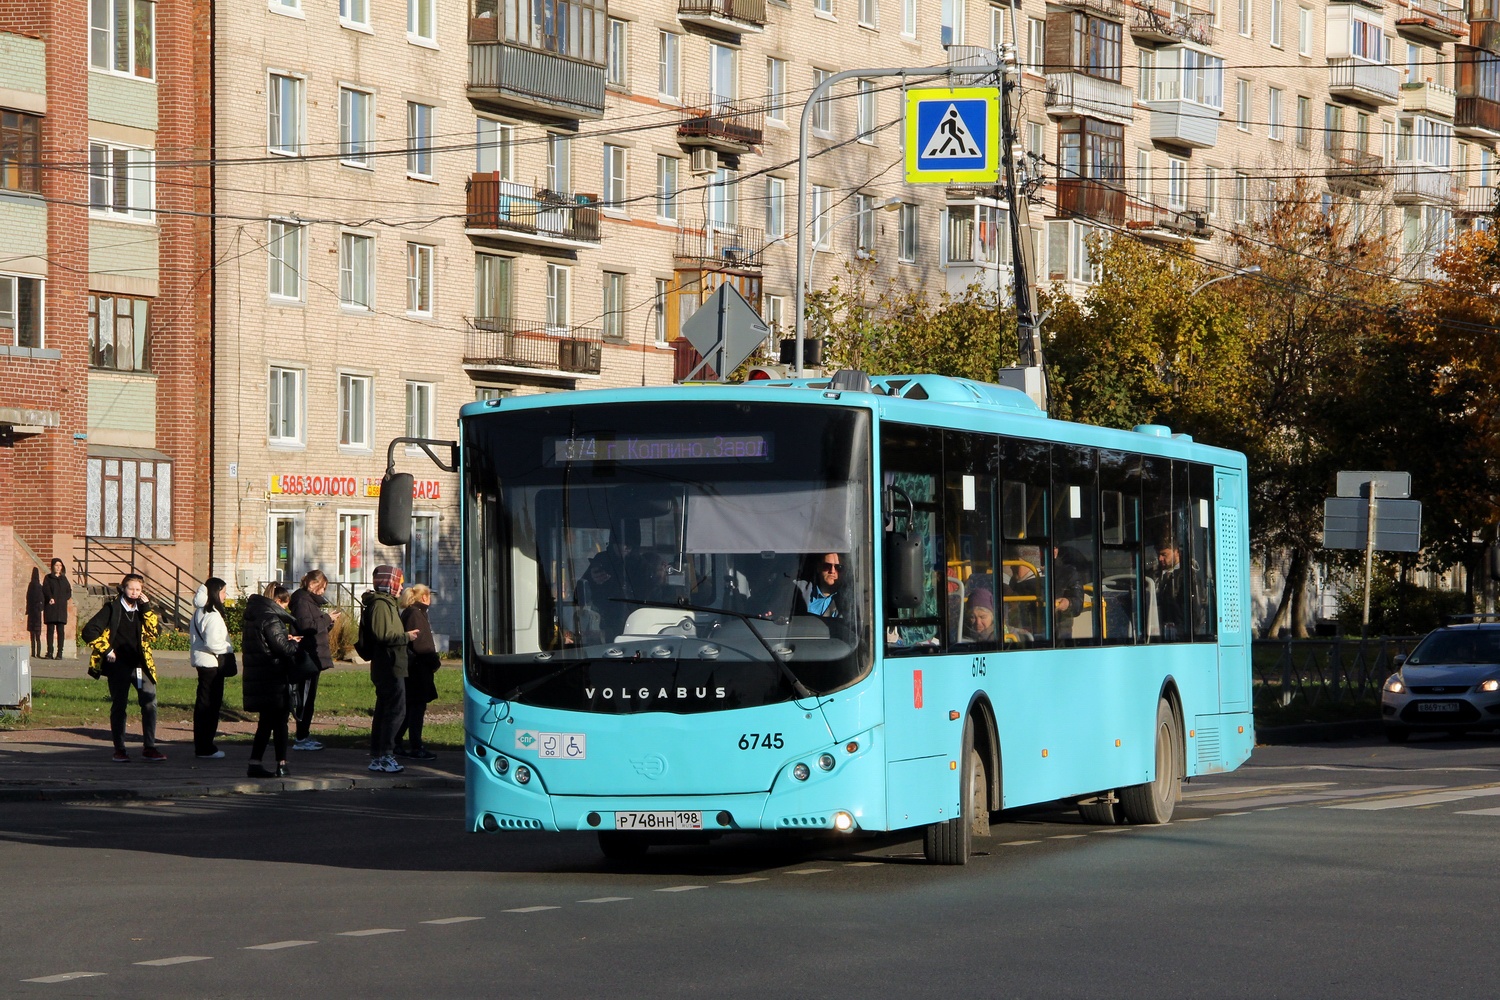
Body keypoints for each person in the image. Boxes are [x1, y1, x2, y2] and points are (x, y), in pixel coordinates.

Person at [82, 574, 164, 762]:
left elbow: (154, 633)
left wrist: (147, 608)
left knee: (150, 702)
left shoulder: (143, 609)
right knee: (120, 705)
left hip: (140, 664)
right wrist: (107, 649)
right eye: (131, 589)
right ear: (123, 588)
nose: (134, 593)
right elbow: (89, 631)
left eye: (138, 590)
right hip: (118, 666)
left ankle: (149, 747)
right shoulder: (112, 608)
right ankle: (120, 749)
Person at [241, 584, 303, 778]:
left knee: (266, 722)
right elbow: (283, 648)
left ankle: (255, 762)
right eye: (284, 604)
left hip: (259, 676)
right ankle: (281, 763)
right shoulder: (271, 618)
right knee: (280, 722)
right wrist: (294, 641)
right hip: (273, 676)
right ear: (277, 601)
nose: (285, 608)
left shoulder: (253, 615)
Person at [361, 565, 415, 774]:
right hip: (389, 665)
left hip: (392, 663)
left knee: (387, 710)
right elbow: (383, 635)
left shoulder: (387, 604)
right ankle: (385, 755)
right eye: (399, 582)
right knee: (394, 711)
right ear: (389, 582)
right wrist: (407, 637)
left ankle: (380, 755)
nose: (402, 587)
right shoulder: (381, 605)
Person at [288, 570, 340, 752]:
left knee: (308, 698)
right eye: (322, 588)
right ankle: (301, 737)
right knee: (304, 697)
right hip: (306, 656)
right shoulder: (302, 601)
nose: (323, 592)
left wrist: (328, 623)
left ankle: (304, 734)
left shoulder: (308, 601)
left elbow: (314, 625)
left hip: (311, 654)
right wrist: (327, 619)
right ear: (312, 585)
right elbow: (306, 626)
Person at [188, 577, 234, 759]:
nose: (225, 595)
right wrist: (229, 648)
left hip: (202, 662)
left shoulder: (199, 612)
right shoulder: (213, 615)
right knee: (210, 707)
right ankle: (206, 747)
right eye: (223, 591)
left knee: (203, 705)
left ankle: (203, 744)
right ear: (215, 592)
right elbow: (213, 643)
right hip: (212, 664)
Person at [396, 584, 440, 761]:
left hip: (415, 668)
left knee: (410, 708)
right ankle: (415, 745)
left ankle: (396, 742)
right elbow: (420, 643)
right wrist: (434, 661)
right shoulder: (415, 613)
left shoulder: (413, 612)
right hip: (418, 669)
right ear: (424, 597)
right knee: (416, 709)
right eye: (429, 596)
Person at [42, 558, 71, 659]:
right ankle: (50, 652)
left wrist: (64, 599)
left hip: (61, 608)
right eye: (56, 565)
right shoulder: (48, 578)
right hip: (51, 608)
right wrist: (50, 598)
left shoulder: (64, 579)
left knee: (60, 630)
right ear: (52, 566)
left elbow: (68, 591)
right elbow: (45, 589)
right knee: (50, 630)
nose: (58, 567)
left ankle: (60, 653)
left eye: (60, 566)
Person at [25, 568, 43, 659]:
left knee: (32, 635)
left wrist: (27, 609)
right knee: (38, 635)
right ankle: (38, 653)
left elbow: (27, 598)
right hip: (37, 613)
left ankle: (33, 652)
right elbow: (42, 599)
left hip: (31, 613)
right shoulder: (39, 586)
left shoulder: (30, 586)